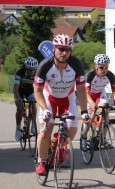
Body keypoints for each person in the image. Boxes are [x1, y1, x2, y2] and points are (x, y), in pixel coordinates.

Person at [34, 34, 89, 175]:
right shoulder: (44, 65)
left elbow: (81, 90)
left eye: (68, 50)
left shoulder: (76, 65)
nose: (64, 53)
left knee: (71, 129)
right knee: (46, 129)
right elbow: (38, 91)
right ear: (54, 49)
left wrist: (84, 111)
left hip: (67, 98)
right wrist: (45, 109)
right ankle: (41, 161)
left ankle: (59, 144)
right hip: (49, 98)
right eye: (61, 49)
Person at [80, 54, 115, 151]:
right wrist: (92, 104)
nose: (104, 69)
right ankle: (83, 137)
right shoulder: (90, 75)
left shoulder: (110, 75)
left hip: (100, 94)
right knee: (89, 119)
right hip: (88, 95)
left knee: (105, 111)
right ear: (96, 66)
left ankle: (103, 139)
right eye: (101, 67)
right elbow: (86, 93)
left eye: (106, 67)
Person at [13, 57, 38, 141]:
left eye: (33, 70)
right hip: (19, 91)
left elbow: (40, 87)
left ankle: (33, 125)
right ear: (26, 68)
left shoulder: (37, 73)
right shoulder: (20, 73)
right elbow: (15, 88)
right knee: (20, 108)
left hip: (29, 91)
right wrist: (18, 98)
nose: (32, 72)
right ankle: (18, 128)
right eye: (30, 70)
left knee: (34, 103)